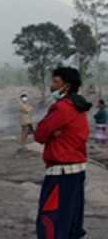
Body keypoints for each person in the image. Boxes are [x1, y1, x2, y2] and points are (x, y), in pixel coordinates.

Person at [34, 67, 92, 239]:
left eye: (55, 82)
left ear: (66, 87)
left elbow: (40, 134)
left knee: (51, 221)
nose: (52, 86)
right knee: (71, 221)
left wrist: (53, 135)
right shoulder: (80, 107)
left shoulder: (62, 108)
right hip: (78, 171)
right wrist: (56, 134)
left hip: (60, 173)